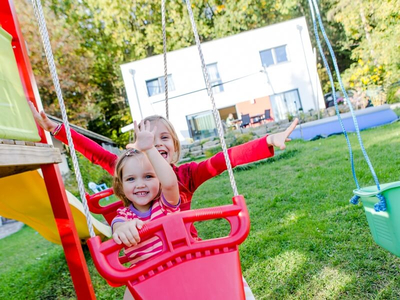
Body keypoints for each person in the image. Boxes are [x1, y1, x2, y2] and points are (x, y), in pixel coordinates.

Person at [29, 101, 298, 298]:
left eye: (164, 138)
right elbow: (96, 153)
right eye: (147, 138)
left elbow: (222, 160)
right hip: (148, 265)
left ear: (175, 147)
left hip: (190, 252)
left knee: (235, 286)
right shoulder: (131, 169)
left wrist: (268, 141)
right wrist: (55, 129)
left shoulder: (185, 175)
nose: (155, 143)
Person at [111, 120, 180, 300]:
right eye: (131, 179)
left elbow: (171, 183)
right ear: (121, 184)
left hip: (176, 266)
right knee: (130, 294)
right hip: (144, 276)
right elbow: (118, 229)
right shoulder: (124, 216)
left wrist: (149, 149)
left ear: (159, 179)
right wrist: (125, 229)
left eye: (148, 176)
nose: (140, 184)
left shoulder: (166, 205)